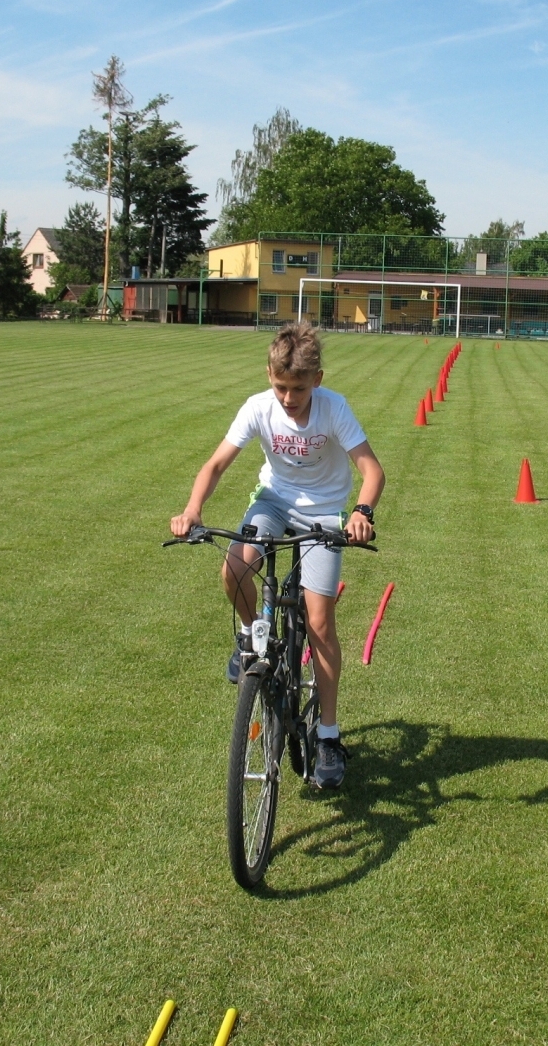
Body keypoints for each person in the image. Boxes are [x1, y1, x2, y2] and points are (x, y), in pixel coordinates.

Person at [171, 323, 385, 789]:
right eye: (280, 386)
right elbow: (216, 464)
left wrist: (361, 512)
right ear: (269, 376)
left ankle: (327, 735)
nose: (289, 398)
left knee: (320, 621)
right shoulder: (258, 408)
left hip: (325, 514)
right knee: (234, 567)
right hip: (271, 501)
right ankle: (250, 635)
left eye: (299, 388)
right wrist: (192, 510)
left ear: (318, 380)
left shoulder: (333, 409)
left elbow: (371, 470)